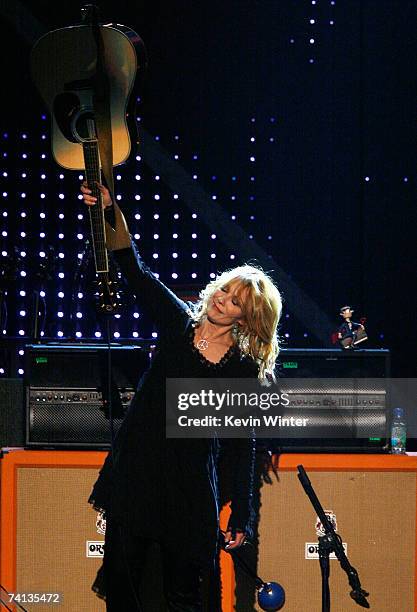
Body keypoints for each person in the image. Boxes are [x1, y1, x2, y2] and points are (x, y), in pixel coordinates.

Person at [81, 182, 283, 611]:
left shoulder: (240, 369)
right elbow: (134, 269)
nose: (223, 302)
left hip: (190, 489)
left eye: (235, 303)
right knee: (125, 587)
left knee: (184, 595)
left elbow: (240, 444)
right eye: (225, 291)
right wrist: (109, 209)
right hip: (139, 474)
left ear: (247, 319)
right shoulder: (177, 326)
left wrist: (242, 512)